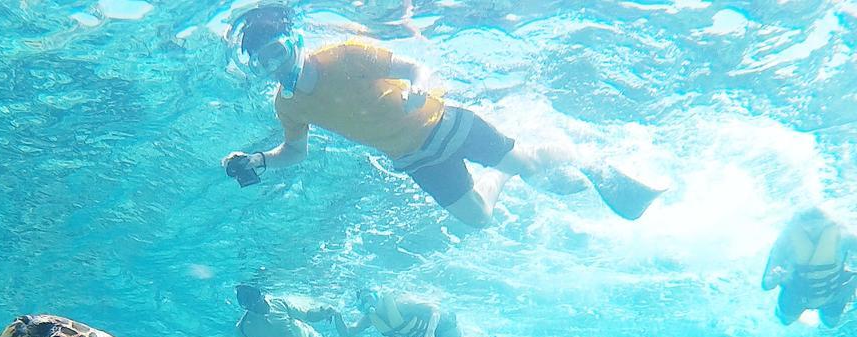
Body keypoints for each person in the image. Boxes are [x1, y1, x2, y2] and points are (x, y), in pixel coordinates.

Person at [222, 5, 664, 228]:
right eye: (260, 63)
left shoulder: (344, 56)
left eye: (276, 53)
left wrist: (420, 87)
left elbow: (415, 67)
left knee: (527, 165)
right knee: (478, 219)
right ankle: (508, 169)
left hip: (444, 124)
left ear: (295, 40)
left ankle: (582, 157)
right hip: (415, 160)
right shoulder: (288, 103)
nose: (273, 67)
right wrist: (260, 160)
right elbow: (294, 152)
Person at [334, 288, 503, 337]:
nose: (367, 304)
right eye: (362, 302)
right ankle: (476, 336)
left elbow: (434, 309)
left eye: (369, 298)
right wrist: (337, 316)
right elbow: (347, 333)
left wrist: (429, 334)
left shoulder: (400, 303)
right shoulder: (371, 319)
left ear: (377, 295)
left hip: (442, 328)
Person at [235, 284, 382, 337]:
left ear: (260, 294)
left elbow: (308, 315)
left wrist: (324, 312)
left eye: (253, 299)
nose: (252, 305)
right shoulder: (243, 328)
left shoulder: (279, 303)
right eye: (245, 303)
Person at [761, 207, 857, 328]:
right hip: (796, 294)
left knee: (831, 324)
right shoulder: (785, 241)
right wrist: (774, 278)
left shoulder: (844, 235)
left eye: (816, 228)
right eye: (807, 229)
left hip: (834, 291)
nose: (812, 232)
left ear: (826, 224)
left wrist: (853, 283)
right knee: (786, 321)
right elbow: (766, 284)